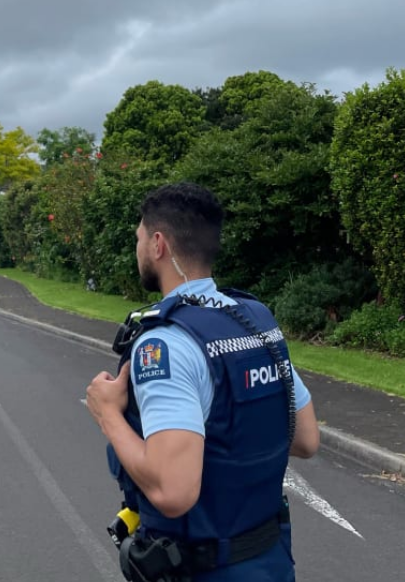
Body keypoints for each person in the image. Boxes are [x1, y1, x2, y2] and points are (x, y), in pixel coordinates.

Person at [85, 182, 319, 582]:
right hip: (271, 561)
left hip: (204, 568)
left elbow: (174, 493)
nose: (138, 247)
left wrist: (108, 414)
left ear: (158, 244)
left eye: (139, 238)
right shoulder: (255, 321)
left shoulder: (164, 344)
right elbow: (304, 439)